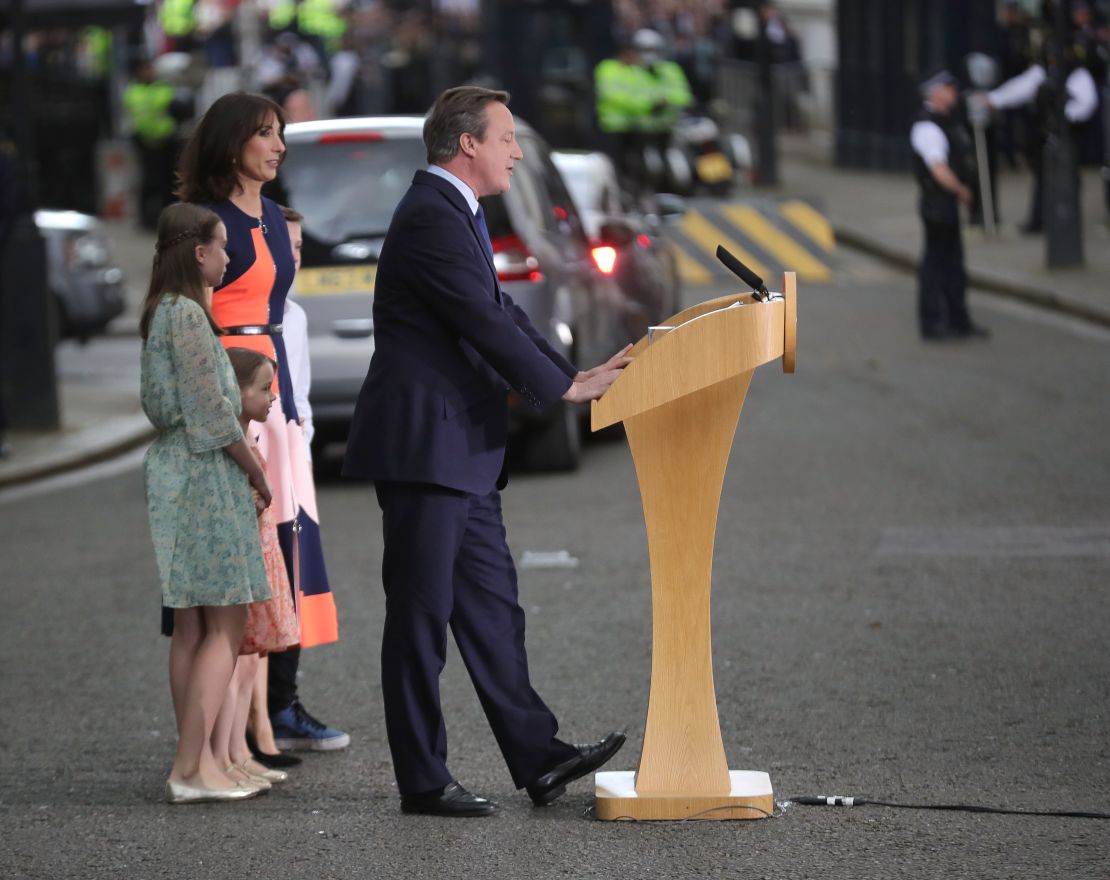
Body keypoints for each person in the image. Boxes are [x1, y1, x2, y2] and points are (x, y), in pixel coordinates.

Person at [342, 86, 630, 817]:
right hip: (425, 448)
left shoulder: (455, 211)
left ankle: (538, 756)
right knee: (419, 620)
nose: (515, 152)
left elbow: (500, 310)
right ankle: (422, 779)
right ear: (467, 143)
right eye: (506, 139)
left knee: (494, 611)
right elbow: (478, 318)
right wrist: (562, 391)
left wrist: (571, 376)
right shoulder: (432, 215)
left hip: (462, 449)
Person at [175, 91, 350, 753]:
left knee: (286, 554)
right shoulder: (200, 221)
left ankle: (271, 714)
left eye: (280, 134)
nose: (279, 145)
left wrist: (296, 415)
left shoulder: (276, 217)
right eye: (265, 134)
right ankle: (222, 739)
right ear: (231, 144)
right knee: (234, 567)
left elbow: (281, 317)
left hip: (277, 399)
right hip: (228, 391)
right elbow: (184, 323)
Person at [139, 202, 271, 804]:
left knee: (192, 625)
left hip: (180, 471)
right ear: (199, 253)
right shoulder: (188, 316)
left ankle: (199, 763)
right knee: (226, 619)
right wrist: (257, 468)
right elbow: (215, 413)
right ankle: (192, 768)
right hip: (202, 475)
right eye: (222, 247)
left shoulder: (166, 312)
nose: (228, 256)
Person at [210, 347, 300, 792]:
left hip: (261, 559)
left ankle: (238, 753)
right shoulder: (234, 446)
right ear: (235, 391)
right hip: (244, 562)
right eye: (263, 389)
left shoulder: (250, 437)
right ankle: (223, 755)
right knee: (233, 663)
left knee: (249, 663)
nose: (271, 398)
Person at [986, 40, 1099, 234]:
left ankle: (1066, 220)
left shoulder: (1077, 74)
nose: (1052, 59)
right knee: (1042, 176)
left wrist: (1065, 117)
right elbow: (1020, 87)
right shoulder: (1042, 72)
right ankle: (1039, 220)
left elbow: (1087, 104)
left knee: (1068, 176)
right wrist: (995, 99)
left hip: (1070, 134)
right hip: (1044, 133)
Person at [910, 70, 989, 341]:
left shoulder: (945, 123)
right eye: (949, 88)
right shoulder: (928, 126)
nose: (954, 93)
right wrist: (961, 190)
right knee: (936, 263)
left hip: (944, 204)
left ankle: (957, 320)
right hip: (937, 204)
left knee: (952, 263)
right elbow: (939, 169)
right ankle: (933, 322)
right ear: (935, 93)